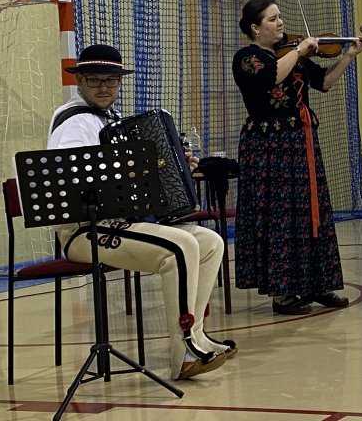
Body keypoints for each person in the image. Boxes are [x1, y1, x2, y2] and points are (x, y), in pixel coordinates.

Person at [47, 44, 235, 380]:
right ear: (79, 81)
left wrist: (175, 166)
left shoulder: (114, 120)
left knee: (210, 243)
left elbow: (138, 182)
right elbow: (67, 182)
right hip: (84, 232)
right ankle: (184, 350)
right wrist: (130, 170)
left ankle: (197, 335)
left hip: (121, 224)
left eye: (111, 80)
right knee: (181, 246)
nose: (104, 87)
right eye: (94, 80)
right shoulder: (73, 123)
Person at [231, 0, 362, 314]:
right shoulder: (247, 58)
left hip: (301, 142)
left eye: (280, 16)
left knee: (310, 211)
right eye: (272, 18)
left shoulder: (292, 54)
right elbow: (270, 77)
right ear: (255, 28)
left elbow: (324, 82)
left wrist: (349, 56)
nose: (280, 22)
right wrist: (299, 51)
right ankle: (282, 293)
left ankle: (317, 283)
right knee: (279, 215)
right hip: (268, 147)